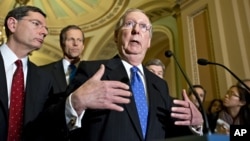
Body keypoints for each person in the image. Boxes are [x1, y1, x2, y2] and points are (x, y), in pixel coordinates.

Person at [64, 8, 203, 141]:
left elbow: (168, 131)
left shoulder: (160, 84)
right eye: (129, 24)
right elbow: (54, 123)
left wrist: (195, 124)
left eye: (144, 27)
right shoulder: (93, 70)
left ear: (148, 41)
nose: (136, 30)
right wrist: (76, 103)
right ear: (116, 36)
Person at [0, 6, 132, 141]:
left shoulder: (42, 78)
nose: (44, 32)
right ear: (12, 24)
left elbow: (47, 124)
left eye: (45, 28)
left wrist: (75, 103)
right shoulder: (48, 71)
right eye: (36, 24)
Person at [40, 25, 85, 94]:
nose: (75, 44)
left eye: (79, 40)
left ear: (83, 46)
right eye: (71, 39)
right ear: (62, 44)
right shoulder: (44, 72)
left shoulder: (93, 72)